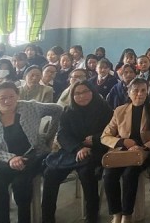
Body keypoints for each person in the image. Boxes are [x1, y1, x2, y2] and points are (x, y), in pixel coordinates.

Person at [0, 82, 62, 223]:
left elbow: (58, 109)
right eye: (2, 98)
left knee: (21, 184)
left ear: (18, 96)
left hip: (31, 156)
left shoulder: (30, 106)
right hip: (2, 162)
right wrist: (10, 158)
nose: (8, 101)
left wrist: (48, 137)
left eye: (12, 96)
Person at [41, 81, 111, 223]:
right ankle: (47, 217)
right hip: (71, 151)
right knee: (50, 174)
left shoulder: (104, 109)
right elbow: (62, 135)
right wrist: (78, 148)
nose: (81, 96)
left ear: (92, 92)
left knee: (86, 173)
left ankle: (92, 215)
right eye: (77, 93)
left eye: (85, 92)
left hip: (96, 151)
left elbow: (111, 131)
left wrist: (94, 141)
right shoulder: (68, 111)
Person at [101, 78, 150, 223]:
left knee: (130, 174)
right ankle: (116, 213)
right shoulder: (120, 111)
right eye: (135, 90)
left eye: (143, 90)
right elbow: (105, 136)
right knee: (108, 174)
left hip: (146, 152)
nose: (139, 94)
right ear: (129, 92)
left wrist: (145, 146)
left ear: (147, 92)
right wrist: (123, 142)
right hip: (123, 152)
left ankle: (127, 214)